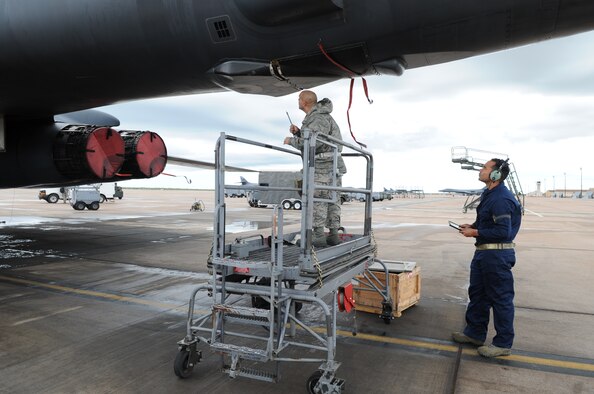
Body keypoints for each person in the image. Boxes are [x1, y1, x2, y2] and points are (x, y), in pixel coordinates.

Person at [452, 158, 522, 357]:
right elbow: (487, 223)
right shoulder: (489, 194)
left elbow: (502, 231)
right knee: (478, 295)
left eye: (484, 167)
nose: (480, 170)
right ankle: (474, 333)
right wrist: (472, 227)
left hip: (496, 255)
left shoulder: (501, 198)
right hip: (485, 253)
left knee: (501, 299)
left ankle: (503, 344)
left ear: (496, 174)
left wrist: (475, 233)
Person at [283, 90, 346, 247]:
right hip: (329, 165)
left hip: (322, 167)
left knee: (319, 200)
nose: (298, 101)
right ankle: (332, 235)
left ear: (305, 102)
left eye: (299, 98)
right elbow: (315, 139)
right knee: (332, 199)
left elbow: (314, 143)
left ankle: (318, 237)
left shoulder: (317, 118)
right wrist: (298, 133)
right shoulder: (319, 116)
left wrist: (291, 141)